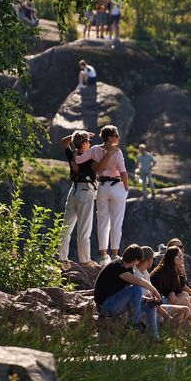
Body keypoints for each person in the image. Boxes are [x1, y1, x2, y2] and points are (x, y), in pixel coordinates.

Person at [93, 245, 162, 338]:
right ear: (135, 260)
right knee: (136, 288)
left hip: (117, 302)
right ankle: (132, 325)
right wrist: (154, 290)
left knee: (150, 305)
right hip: (105, 305)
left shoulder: (128, 269)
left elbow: (126, 293)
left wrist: (145, 299)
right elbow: (139, 281)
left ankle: (154, 336)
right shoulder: (117, 266)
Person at [150, 244, 191, 335]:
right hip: (156, 303)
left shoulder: (172, 268)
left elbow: (183, 286)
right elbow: (171, 297)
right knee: (185, 300)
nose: (182, 259)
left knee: (184, 295)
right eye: (180, 257)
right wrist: (176, 295)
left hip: (162, 299)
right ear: (173, 258)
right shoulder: (166, 270)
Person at [58, 130, 98, 264]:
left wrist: (77, 137)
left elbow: (64, 141)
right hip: (86, 191)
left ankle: (62, 259)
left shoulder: (73, 155)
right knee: (84, 230)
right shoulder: (90, 158)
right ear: (85, 143)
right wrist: (82, 135)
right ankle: (85, 260)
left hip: (73, 190)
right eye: (89, 142)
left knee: (66, 227)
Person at [92, 124, 129, 264]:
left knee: (102, 221)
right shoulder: (117, 152)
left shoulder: (95, 149)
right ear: (109, 138)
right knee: (116, 222)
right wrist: (126, 187)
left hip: (101, 186)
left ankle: (103, 256)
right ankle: (114, 255)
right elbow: (123, 172)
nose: (118, 137)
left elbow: (85, 161)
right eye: (116, 135)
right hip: (116, 185)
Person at [136, 245, 191, 329]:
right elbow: (151, 300)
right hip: (149, 308)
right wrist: (165, 315)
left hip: (157, 302)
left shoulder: (145, 273)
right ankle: (172, 330)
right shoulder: (138, 275)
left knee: (185, 297)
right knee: (185, 306)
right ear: (149, 260)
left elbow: (180, 286)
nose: (182, 259)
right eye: (180, 257)